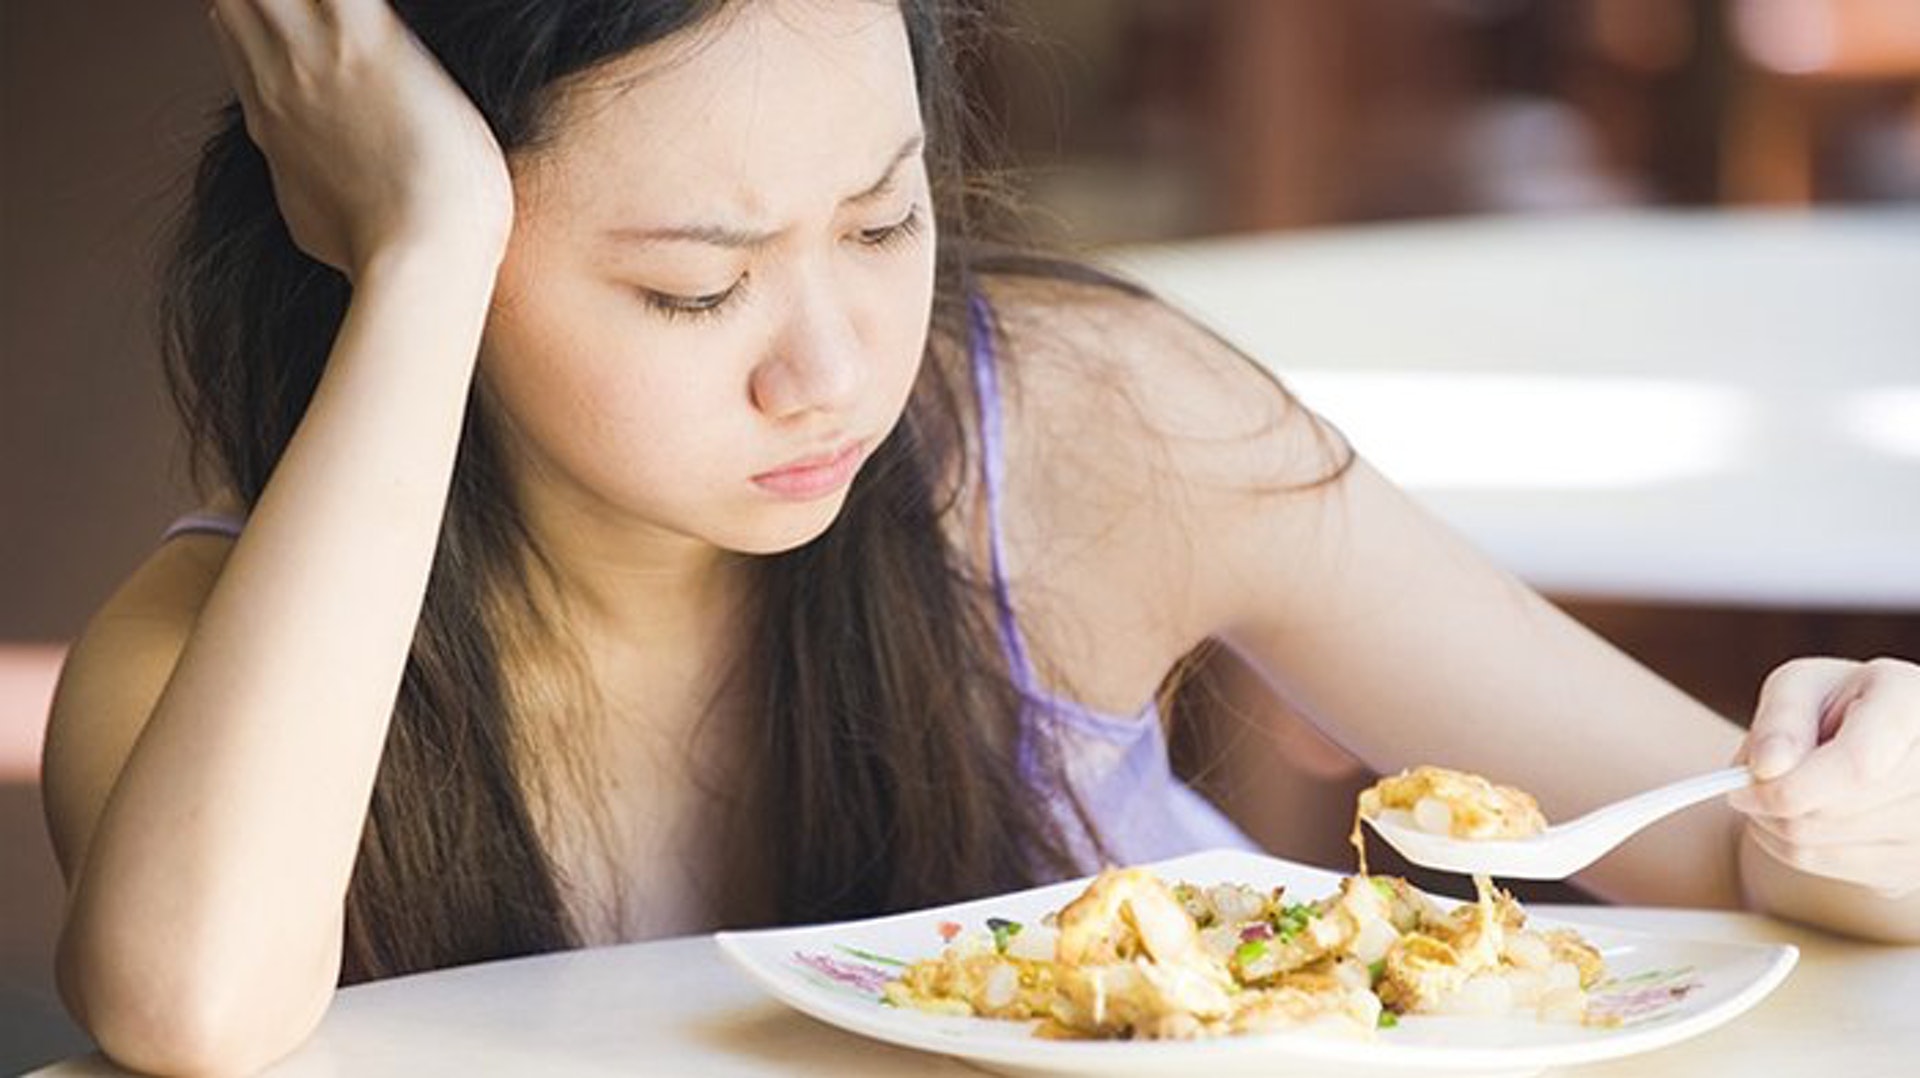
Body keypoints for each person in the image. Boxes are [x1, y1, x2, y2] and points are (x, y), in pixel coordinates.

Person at [41, 0, 1920, 1073]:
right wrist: (424, 240)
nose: (838, 367)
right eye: (696, 290)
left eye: (881, 222)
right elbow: (187, 1009)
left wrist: (1864, 798)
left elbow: (1737, 851)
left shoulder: (1083, 428)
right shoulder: (225, 660)